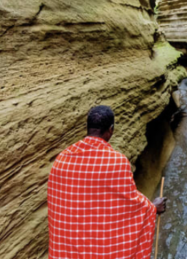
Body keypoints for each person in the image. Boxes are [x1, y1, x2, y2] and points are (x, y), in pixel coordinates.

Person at [48, 105, 167, 259]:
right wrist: (153, 208)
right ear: (110, 129)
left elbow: (60, 211)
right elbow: (131, 203)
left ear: (88, 128)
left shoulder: (62, 160)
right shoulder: (116, 161)